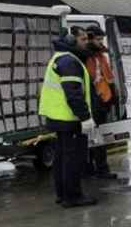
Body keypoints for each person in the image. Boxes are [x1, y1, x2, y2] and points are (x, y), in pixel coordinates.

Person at [38, 26, 98, 208]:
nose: (86, 42)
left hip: (57, 118)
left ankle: (62, 194)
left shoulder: (60, 58)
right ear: (72, 41)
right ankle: (72, 196)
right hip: (68, 119)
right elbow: (73, 94)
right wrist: (85, 117)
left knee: (61, 158)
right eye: (83, 39)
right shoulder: (70, 62)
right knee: (72, 159)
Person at [85, 25, 118, 180]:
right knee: (95, 138)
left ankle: (97, 168)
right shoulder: (86, 57)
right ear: (91, 38)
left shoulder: (100, 56)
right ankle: (97, 169)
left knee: (98, 138)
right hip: (94, 103)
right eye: (99, 39)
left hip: (102, 101)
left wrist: (113, 94)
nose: (101, 42)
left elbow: (109, 77)